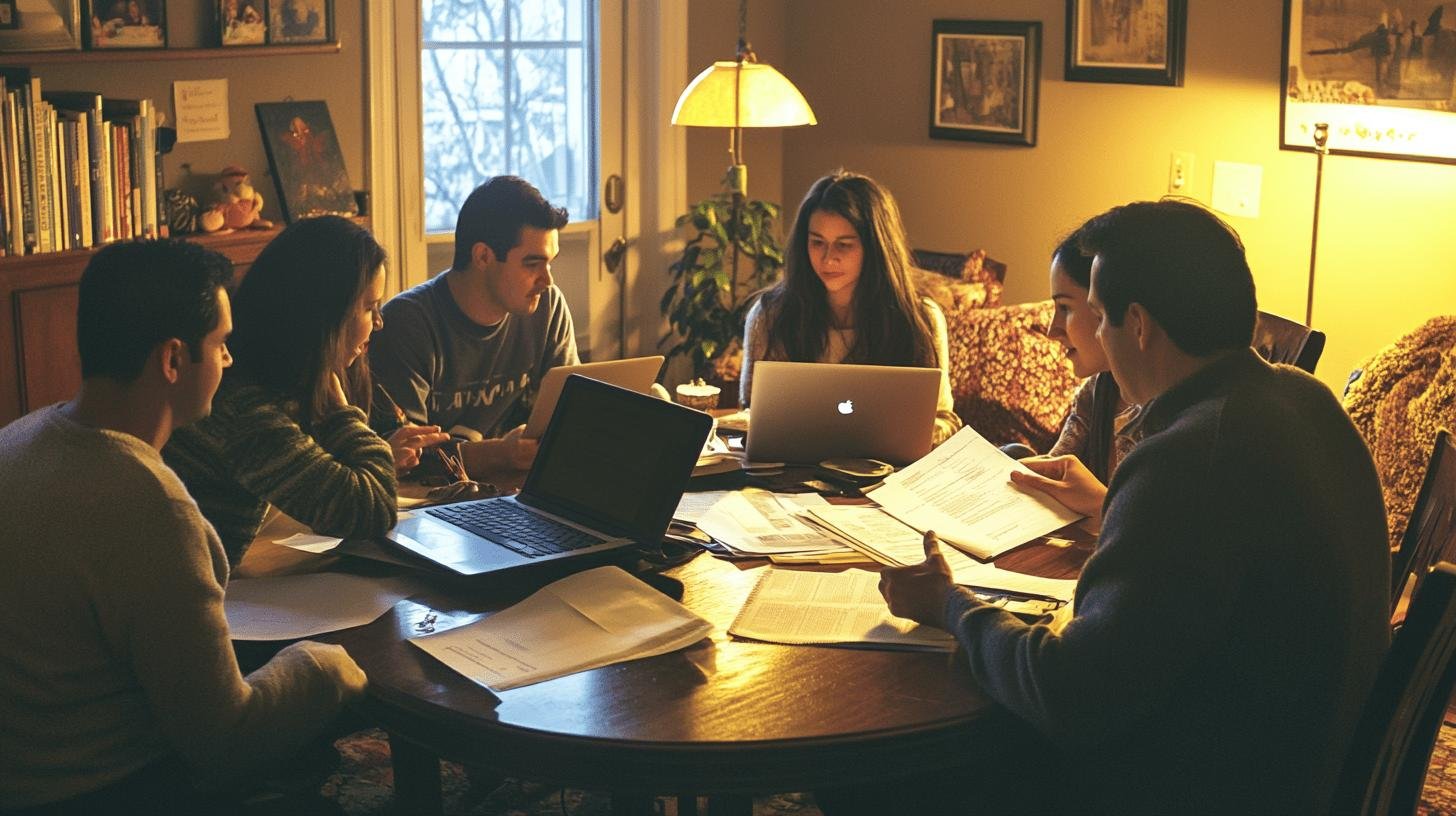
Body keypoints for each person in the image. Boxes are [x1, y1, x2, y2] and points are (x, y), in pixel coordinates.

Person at [877, 200, 1390, 813]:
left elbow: (1069, 698)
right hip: (1302, 760)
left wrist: (950, 604)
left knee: (878, 776)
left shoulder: (1189, 457)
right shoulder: (1308, 401)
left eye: (1096, 316)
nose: (1092, 334)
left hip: (1208, 787)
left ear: (1139, 325)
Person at [0, 239, 366, 813]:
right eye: (220, 344)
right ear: (173, 360)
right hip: (101, 791)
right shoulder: (148, 503)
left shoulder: (19, 439)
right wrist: (327, 667)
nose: (229, 361)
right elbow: (225, 743)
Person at [165, 216, 446, 565]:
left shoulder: (262, 384)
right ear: (323, 313)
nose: (379, 322)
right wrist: (340, 414)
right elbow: (370, 510)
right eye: (369, 307)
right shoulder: (243, 411)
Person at [369, 175, 578, 472]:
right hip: (429, 502)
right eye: (532, 264)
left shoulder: (548, 307)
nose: (547, 280)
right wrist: (499, 454)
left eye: (550, 262)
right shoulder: (407, 324)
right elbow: (404, 455)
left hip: (515, 490)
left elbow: (573, 414)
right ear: (483, 257)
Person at [739, 170, 961, 444]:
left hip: (887, 474)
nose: (828, 258)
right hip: (792, 474)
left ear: (876, 248)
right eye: (817, 242)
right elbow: (751, 412)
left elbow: (944, 418)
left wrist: (911, 433)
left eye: (844, 245)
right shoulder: (770, 317)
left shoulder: (921, 319)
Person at [1042, 226, 1143, 485]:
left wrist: (1099, 507)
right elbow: (1054, 467)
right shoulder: (1097, 391)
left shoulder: (1169, 412)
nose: (1052, 330)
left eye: (1065, 307)